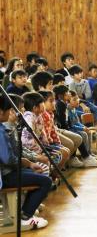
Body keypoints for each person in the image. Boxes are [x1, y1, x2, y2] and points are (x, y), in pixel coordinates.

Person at [0, 93, 52, 229]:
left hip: (10, 170)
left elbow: (15, 153)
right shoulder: (2, 131)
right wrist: (28, 162)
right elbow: (9, 159)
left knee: (39, 172)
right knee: (46, 182)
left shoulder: (4, 129)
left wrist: (29, 164)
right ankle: (25, 217)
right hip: (5, 175)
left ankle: (24, 209)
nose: (20, 113)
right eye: (14, 110)